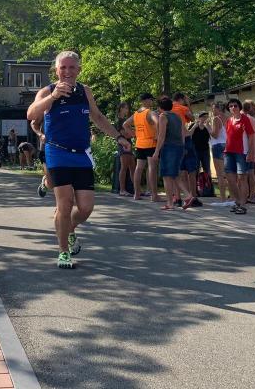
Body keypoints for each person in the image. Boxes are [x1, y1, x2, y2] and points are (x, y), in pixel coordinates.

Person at [27, 51, 132, 269]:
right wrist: (53, 97)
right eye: (63, 67)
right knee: (65, 204)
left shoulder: (85, 91)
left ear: (79, 70)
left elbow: (98, 118)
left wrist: (119, 137)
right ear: (56, 70)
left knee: (85, 208)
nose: (67, 71)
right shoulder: (47, 91)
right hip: (57, 152)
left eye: (71, 67)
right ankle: (63, 251)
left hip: (82, 154)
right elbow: (31, 114)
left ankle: (69, 228)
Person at [123, 93, 160, 202]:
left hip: (139, 144)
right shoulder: (150, 112)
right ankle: (154, 195)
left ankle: (136, 194)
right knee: (152, 168)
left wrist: (134, 134)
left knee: (139, 168)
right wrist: (157, 135)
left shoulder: (136, 114)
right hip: (150, 143)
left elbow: (125, 124)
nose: (152, 102)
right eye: (151, 100)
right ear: (146, 100)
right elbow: (158, 122)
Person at [223, 99, 255, 215]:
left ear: (239, 107)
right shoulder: (229, 120)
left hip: (241, 152)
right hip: (228, 152)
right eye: (230, 106)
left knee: (242, 178)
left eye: (235, 106)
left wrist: (251, 152)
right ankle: (237, 201)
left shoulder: (245, 119)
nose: (233, 108)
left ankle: (243, 204)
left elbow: (251, 135)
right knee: (230, 178)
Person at [154, 97, 187, 211]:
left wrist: (156, 151)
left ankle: (170, 203)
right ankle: (188, 196)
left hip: (169, 148)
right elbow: (182, 133)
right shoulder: (177, 116)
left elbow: (161, 136)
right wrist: (183, 146)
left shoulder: (163, 116)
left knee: (166, 175)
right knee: (174, 174)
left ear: (160, 107)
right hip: (179, 146)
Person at [172, 92, 201, 208]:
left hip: (174, 141)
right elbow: (192, 118)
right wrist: (188, 104)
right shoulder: (182, 108)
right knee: (191, 171)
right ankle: (193, 197)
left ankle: (177, 198)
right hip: (185, 139)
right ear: (182, 99)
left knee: (178, 171)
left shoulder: (168, 109)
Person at [208, 102, 229, 201]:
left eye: (213, 109)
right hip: (227, 144)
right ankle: (233, 197)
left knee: (220, 174)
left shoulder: (216, 119)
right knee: (228, 173)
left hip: (217, 145)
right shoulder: (228, 118)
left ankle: (223, 198)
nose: (212, 111)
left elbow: (215, 135)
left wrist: (208, 127)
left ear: (218, 109)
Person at [115, 102, 136, 197]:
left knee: (132, 167)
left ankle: (136, 189)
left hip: (129, 145)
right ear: (121, 108)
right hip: (123, 145)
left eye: (127, 108)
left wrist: (132, 133)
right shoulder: (119, 121)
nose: (127, 110)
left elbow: (129, 133)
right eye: (126, 108)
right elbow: (125, 134)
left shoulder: (125, 120)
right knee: (124, 167)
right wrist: (134, 133)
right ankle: (122, 190)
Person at [191, 112, 212, 194]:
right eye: (203, 117)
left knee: (207, 169)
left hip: (205, 150)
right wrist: (194, 126)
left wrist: (208, 126)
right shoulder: (194, 125)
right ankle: (195, 190)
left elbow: (212, 136)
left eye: (206, 117)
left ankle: (209, 190)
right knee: (195, 169)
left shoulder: (208, 126)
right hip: (195, 150)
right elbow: (189, 135)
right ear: (199, 117)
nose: (205, 118)